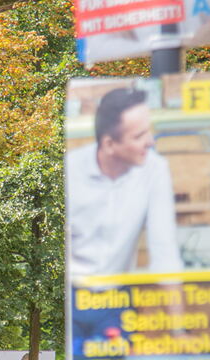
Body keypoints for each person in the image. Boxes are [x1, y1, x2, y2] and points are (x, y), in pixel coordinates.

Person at [66, 87, 183, 277]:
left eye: (148, 132)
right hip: (75, 293)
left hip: (120, 295)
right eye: (139, 136)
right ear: (109, 145)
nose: (150, 141)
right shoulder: (71, 169)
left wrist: (177, 306)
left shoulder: (154, 168)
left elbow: (165, 253)